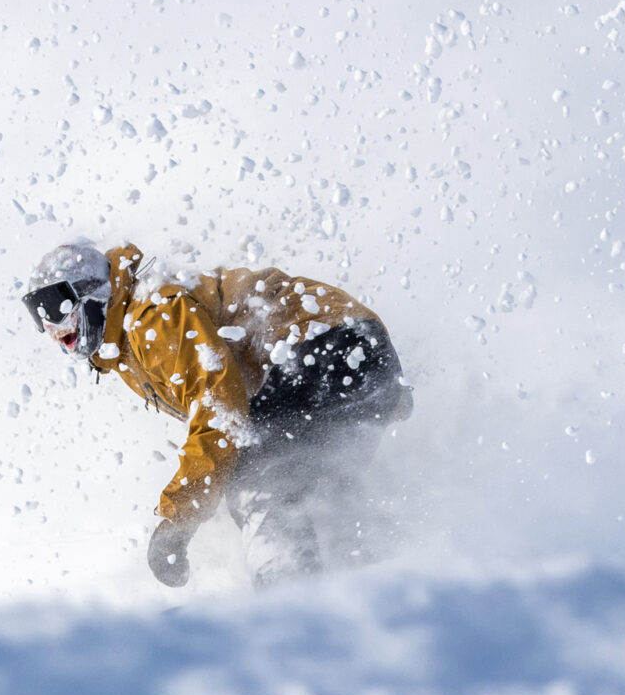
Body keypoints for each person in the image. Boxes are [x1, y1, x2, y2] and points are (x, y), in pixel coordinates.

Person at [20, 239, 412, 588]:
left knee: (258, 478)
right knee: (319, 486)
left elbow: (220, 411)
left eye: (56, 306)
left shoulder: (151, 316)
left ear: (93, 293)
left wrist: (178, 520)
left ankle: (291, 601)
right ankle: (376, 578)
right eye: (38, 314)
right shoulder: (127, 345)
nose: (50, 327)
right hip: (354, 352)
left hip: (327, 346)